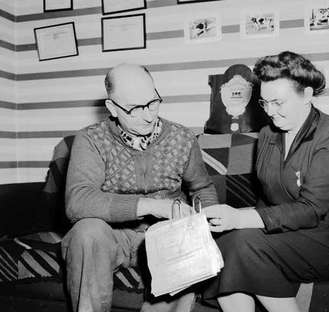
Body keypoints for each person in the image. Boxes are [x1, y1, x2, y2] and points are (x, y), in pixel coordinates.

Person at [203, 51, 329, 312]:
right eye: (264, 103)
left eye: (278, 102)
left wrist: (240, 220)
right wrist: (229, 218)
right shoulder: (267, 134)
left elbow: (311, 209)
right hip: (289, 231)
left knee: (241, 245)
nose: (270, 112)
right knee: (223, 244)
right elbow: (267, 198)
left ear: (307, 95)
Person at [61, 63, 218, 312]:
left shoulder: (182, 137)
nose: (148, 115)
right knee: (86, 232)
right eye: (135, 108)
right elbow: (78, 201)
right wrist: (152, 206)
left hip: (168, 234)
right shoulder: (90, 139)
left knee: (185, 239)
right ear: (112, 108)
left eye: (153, 102)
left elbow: (202, 188)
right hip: (114, 236)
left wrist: (207, 222)